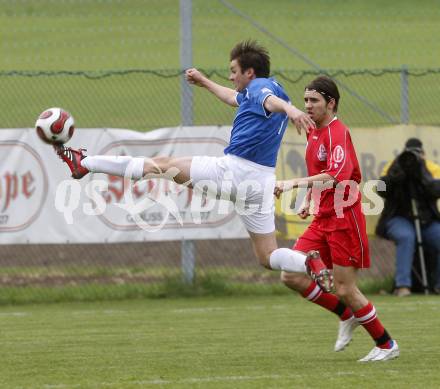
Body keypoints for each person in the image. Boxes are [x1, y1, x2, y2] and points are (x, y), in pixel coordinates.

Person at [54, 40, 332, 291]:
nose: (231, 75)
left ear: (250, 73)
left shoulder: (261, 89)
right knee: (268, 256)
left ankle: (84, 163)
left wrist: (292, 110)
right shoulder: (265, 90)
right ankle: (308, 264)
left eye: (234, 70)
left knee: (160, 165)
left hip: (234, 172)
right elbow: (236, 98)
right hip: (260, 182)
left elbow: (270, 101)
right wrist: (204, 82)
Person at [274, 75, 399, 362]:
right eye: (305, 100)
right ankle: (346, 315)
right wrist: (309, 199)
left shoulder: (336, 132)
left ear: (331, 103)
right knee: (291, 274)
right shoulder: (313, 132)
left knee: (344, 287)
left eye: (314, 100)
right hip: (323, 217)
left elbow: (335, 175)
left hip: (344, 218)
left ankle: (386, 344)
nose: (308, 106)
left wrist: (292, 185)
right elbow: (322, 172)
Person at [376, 138, 440, 297]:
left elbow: (437, 190)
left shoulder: (432, 168)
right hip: (398, 217)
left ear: (423, 155)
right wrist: (394, 176)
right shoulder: (394, 165)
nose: (413, 159)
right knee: (407, 236)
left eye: (417, 155)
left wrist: (422, 176)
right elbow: (380, 188)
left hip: (426, 220)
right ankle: (402, 285)